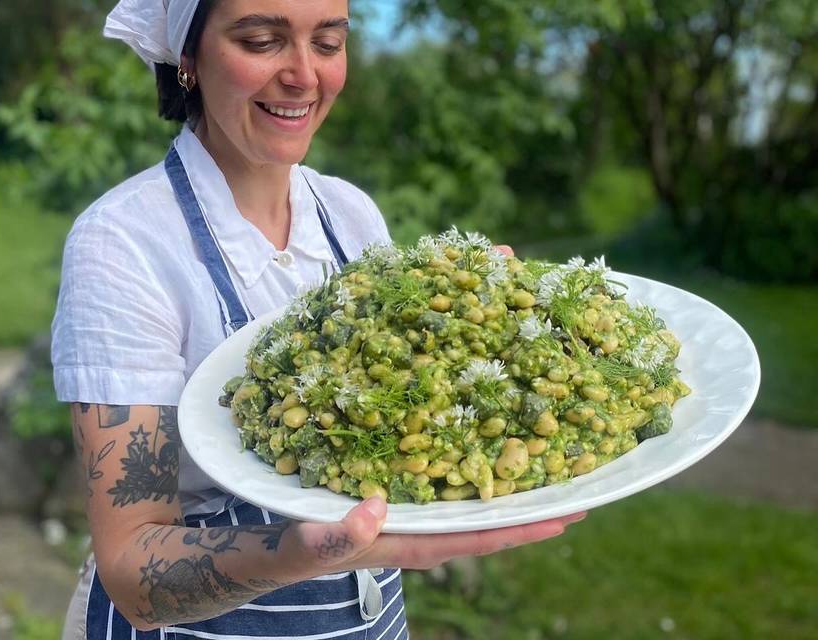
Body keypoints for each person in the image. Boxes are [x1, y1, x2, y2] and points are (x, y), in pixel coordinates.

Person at [51, 1, 586, 638]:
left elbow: (399, 414)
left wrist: (490, 324)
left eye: (328, 43)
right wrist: (316, 551)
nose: (304, 75)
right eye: (261, 40)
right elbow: (133, 568)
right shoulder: (124, 243)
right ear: (187, 58)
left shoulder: (351, 215)